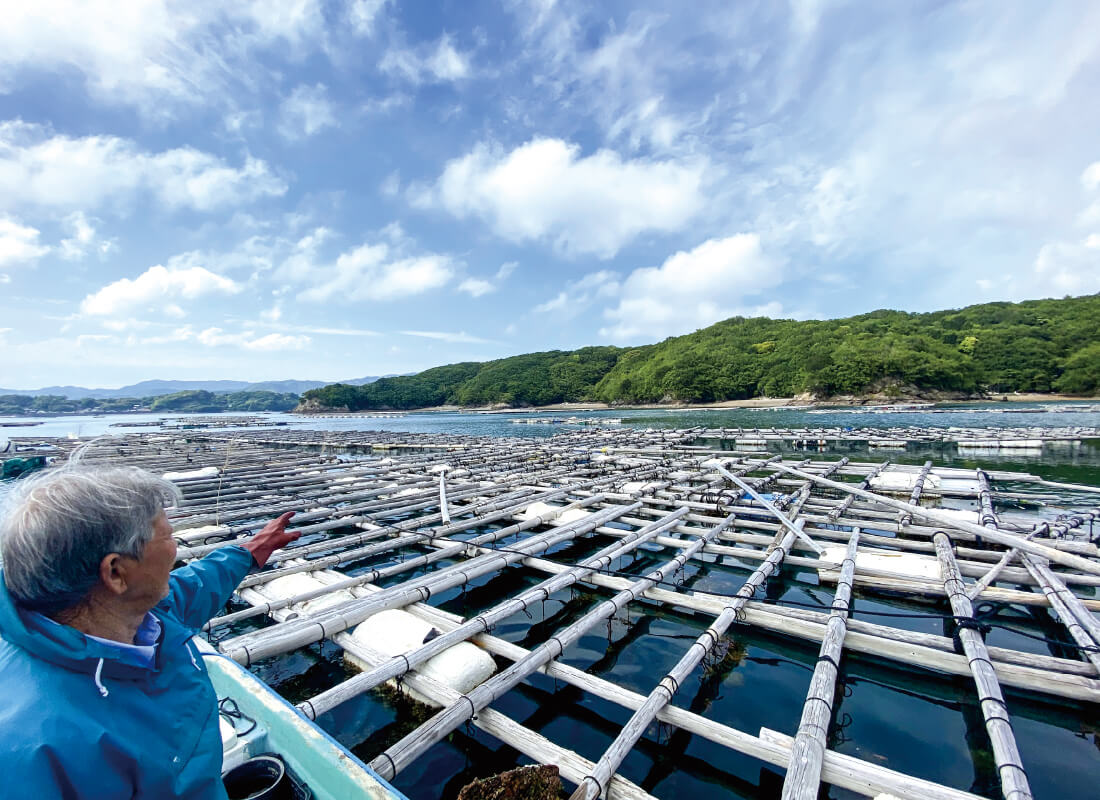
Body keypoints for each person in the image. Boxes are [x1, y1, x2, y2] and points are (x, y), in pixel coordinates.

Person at [0, 465, 301, 799]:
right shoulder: (33, 747)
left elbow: (194, 586)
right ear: (116, 572)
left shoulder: (135, 614)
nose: (175, 551)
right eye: (168, 536)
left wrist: (250, 551)